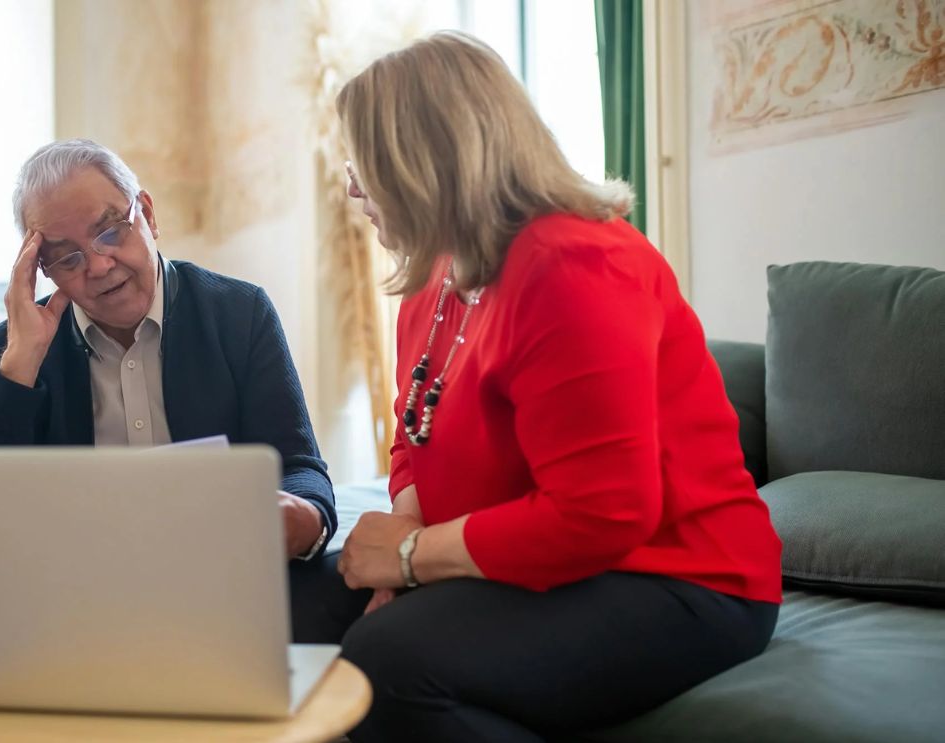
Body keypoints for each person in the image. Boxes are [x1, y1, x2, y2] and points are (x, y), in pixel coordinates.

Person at [333, 32, 783, 742]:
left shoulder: (571, 264)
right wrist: (400, 548)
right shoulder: (431, 276)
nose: (352, 188)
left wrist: (416, 559)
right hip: (518, 558)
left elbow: (603, 513)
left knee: (382, 663)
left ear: (424, 159)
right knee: (286, 604)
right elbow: (412, 435)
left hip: (677, 576)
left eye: (361, 163)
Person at [0, 139, 368, 742]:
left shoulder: (238, 311)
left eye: (110, 231)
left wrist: (299, 516)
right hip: (75, 582)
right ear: (40, 271)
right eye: (65, 258)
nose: (96, 266)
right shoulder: (18, 344)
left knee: (348, 588)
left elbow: (300, 466)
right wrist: (20, 364)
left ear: (147, 211)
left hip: (219, 572)